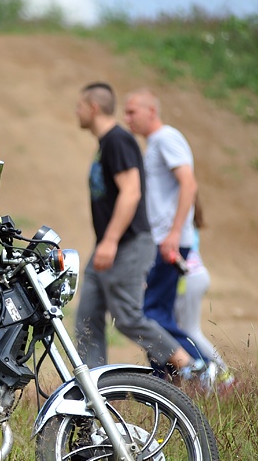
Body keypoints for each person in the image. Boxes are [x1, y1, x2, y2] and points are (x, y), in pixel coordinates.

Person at [72, 82, 209, 383]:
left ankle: (189, 367)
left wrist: (110, 241)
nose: (76, 111)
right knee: (86, 319)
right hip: (108, 245)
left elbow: (131, 192)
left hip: (128, 243)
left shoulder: (117, 141)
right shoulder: (106, 143)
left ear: (93, 108)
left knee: (129, 318)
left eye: (79, 106)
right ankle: (92, 388)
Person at [124, 88, 214, 382]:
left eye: (132, 111)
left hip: (169, 243)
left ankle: (202, 368)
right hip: (159, 242)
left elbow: (189, 184)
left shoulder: (167, 138)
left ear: (152, 111)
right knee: (155, 312)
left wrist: (174, 234)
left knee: (150, 314)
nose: (127, 119)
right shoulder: (153, 145)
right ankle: (165, 382)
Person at [174, 199, 236, 390]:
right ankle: (209, 375)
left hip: (188, 278)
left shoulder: (179, 218)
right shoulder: (189, 218)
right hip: (195, 276)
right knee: (184, 330)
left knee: (190, 331)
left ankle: (224, 375)